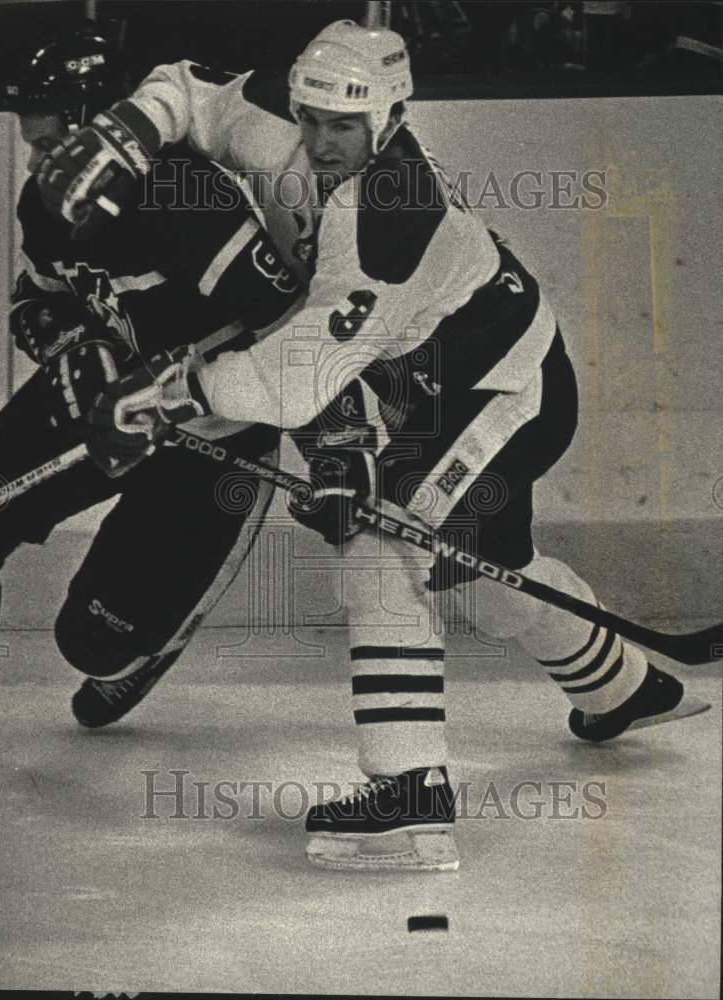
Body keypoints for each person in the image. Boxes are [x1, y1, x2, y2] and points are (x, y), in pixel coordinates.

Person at [34, 19, 708, 872]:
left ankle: (409, 798)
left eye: (341, 126)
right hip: (435, 381)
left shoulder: (390, 219)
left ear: (388, 119)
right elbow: (194, 87)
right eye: (310, 118)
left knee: (379, 543)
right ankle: (621, 690)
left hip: (506, 390)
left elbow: (295, 380)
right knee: (483, 574)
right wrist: (126, 132)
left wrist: (166, 392)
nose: (319, 142)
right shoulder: (291, 132)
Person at [0, 24, 306, 755]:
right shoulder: (48, 204)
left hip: (210, 433)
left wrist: (173, 388)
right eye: (31, 144)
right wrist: (75, 344)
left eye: (45, 142)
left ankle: (138, 646)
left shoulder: (187, 196)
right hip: (104, 397)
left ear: (94, 121)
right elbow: (35, 302)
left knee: (92, 644)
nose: (37, 162)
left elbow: (285, 330)